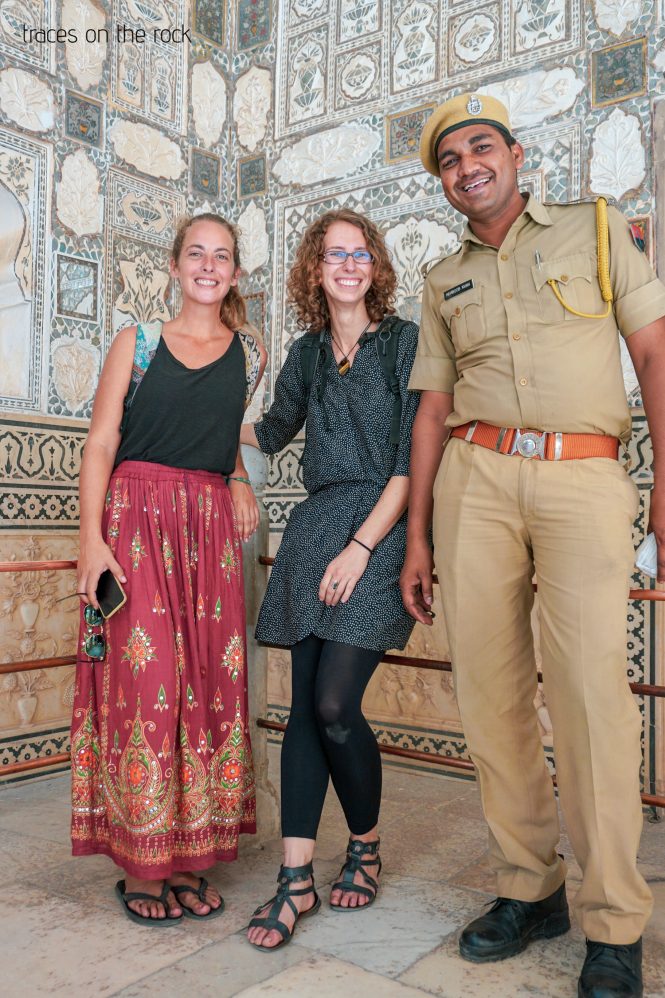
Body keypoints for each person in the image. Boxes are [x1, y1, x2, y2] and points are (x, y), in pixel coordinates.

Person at [400, 92, 665, 998]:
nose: (467, 166)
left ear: (515, 155)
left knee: (592, 695)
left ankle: (613, 920)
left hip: (583, 479)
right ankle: (530, 886)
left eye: (481, 148)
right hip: (472, 486)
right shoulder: (442, 280)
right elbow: (432, 408)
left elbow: (655, 355)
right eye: (449, 159)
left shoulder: (596, 230)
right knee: (489, 694)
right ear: (441, 183)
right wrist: (415, 537)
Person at [71, 212, 267, 925]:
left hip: (207, 529)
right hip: (134, 521)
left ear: (236, 272)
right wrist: (92, 542)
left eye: (222, 256)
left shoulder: (252, 350)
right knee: (146, 680)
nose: (208, 266)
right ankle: (141, 864)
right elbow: (100, 443)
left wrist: (239, 477)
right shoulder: (138, 342)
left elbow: (220, 432)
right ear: (176, 265)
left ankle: (188, 857)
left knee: (208, 684)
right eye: (196, 254)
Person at [240, 208, 419, 950]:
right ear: (314, 269)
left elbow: (414, 461)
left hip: (380, 524)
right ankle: (295, 880)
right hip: (315, 532)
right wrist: (182, 399)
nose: (348, 264)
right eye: (333, 255)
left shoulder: (405, 343)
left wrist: (361, 547)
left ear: (374, 267)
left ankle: (366, 845)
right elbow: (270, 431)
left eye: (360, 254)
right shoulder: (306, 355)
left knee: (336, 702)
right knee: (304, 709)